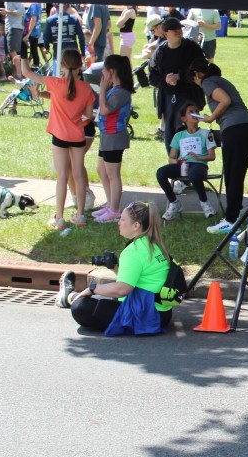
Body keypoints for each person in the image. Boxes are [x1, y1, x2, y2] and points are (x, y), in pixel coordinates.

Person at [56, 201, 174, 334]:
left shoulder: (133, 251)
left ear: (135, 225)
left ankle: (69, 297)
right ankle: (71, 296)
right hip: (163, 314)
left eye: (123, 220)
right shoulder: (153, 245)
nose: (118, 223)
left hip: (144, 316)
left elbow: (122, 289)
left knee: (80, 307)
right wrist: (114, 268)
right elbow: (137, 281)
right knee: (104, 295)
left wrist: (92, 288)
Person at [15, 49, 95, 230]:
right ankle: (80, 215)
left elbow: (26, 72)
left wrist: (24, 51)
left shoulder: (56, 83)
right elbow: (89, 115)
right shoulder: (86, 88)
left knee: (62, 176)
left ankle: (59, 217)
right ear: (80, 66)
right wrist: (76, 116)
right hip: (78, 136)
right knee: (79, 175)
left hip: (60, 136)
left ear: (62, 65)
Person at [187, 59, 248, 234]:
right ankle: (234, 215)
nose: (196, 83)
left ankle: (231, 220)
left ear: (197, 74)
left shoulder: (208, 82)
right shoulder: (221, 80)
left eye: (193, 79)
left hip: (235, 129)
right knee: (236, 175)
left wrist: (210, 118)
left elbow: (225, 100)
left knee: (232, 175)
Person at [149, 17, 206, 151]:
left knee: (188, 128)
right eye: (174, 29)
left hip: (189, 95)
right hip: (168, 97)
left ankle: (191, 158)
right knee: (170, 130)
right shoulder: (160, 51)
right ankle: (172, 158)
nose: (179, 31)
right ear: (166, 33)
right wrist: (165, 79)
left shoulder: (191, 48)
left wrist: (180, 76)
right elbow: (152, 77)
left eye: (180, 28)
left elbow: (202, 69)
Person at [157, 101, 217, 219]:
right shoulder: (179, 135)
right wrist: (176, 161)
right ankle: (174, 202)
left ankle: (204, 202)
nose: (195, 113)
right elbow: (171, 158)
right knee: (161, 172)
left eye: (197, 111)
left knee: (193, 174)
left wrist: (198, 157)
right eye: (191, 112)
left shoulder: (206, 133)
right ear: (183, 118)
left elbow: (212, 156)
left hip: (199, 165)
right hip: (183, 165)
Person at [92, 55, 135, 223]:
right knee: (101, 170)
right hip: (106, 135)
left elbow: (104, 110)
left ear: (111, 71)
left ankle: (115, 210)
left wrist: (102, 90)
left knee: (112, 174)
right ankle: (110, 204)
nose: (102, 72)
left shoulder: (122, 92)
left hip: (115, 136)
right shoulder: (114, 89)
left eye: (104, 69)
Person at [23, 1, 42, 68]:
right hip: (36, 30)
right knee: (33, 49)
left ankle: (35, 65)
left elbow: (33, 18)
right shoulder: (38, 4)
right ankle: (35, 64)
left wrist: (28, 33)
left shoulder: (34, 5)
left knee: (33, 49)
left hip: (32, 31)